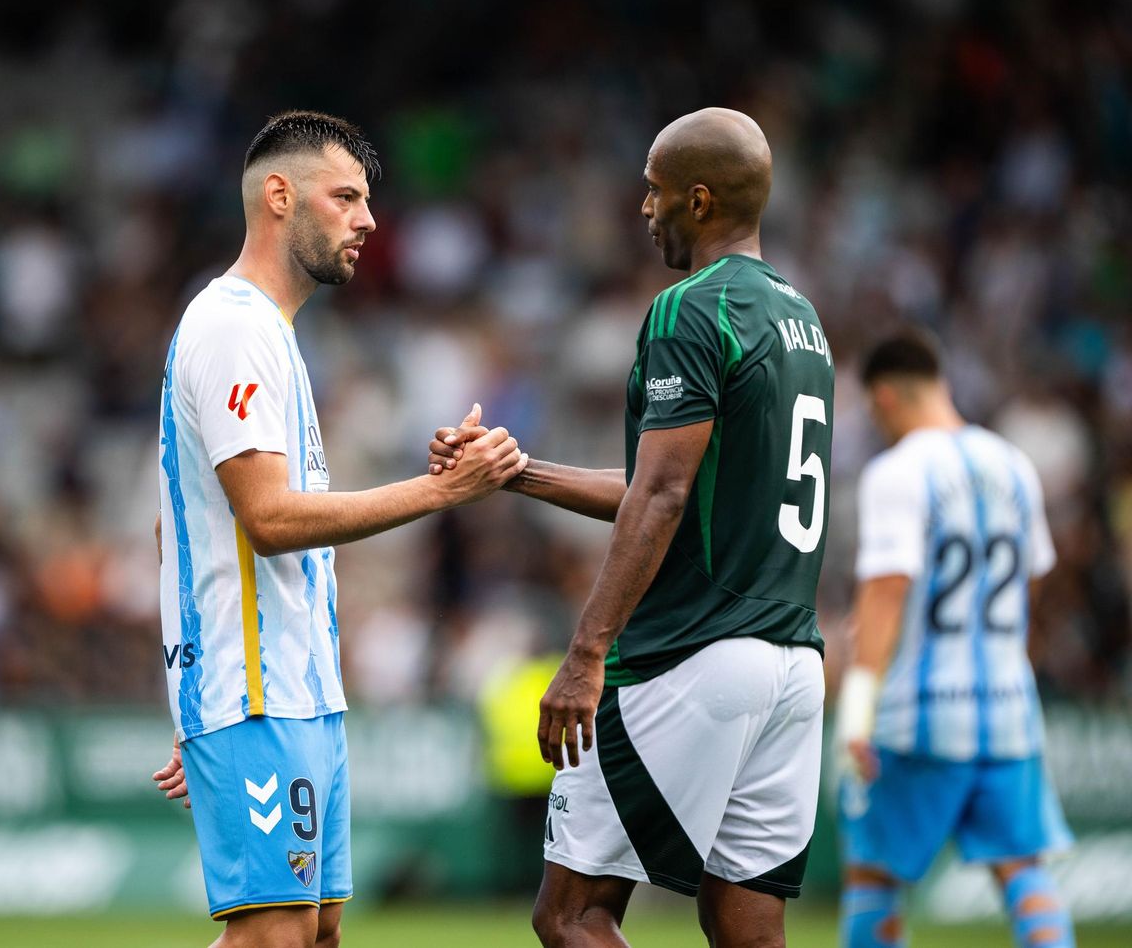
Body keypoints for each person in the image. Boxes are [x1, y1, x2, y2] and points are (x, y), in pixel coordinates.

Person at [431, 108, 833, 948]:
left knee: (572, 913)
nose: (643, 210)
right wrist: (522, 472)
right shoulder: (802, 320)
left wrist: (586, 655)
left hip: (693, 652)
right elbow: (677, 487)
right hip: (792, 663)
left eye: (653, 193)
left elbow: (663, 493)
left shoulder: (692, 309)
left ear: (697, 198)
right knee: (745, 925)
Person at [148, 110, 527, 948]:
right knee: (273, 935)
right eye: (346, 198)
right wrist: (440, 493)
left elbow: (174, 525)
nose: (369, 221)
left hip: (298, 689)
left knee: (315, 934)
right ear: (279, 197)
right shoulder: (234, 326)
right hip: (252, 689)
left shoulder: (275, 337)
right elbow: (271, 518)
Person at [835, 330, 1075, 948]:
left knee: (874, 873)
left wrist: (856, 713)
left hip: (918, 715)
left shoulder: (898, 471)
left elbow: (886, 590)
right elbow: (1031, 585)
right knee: (1023, 869)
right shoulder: (1014, 464)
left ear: (883, 397)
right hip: (1008, 710)